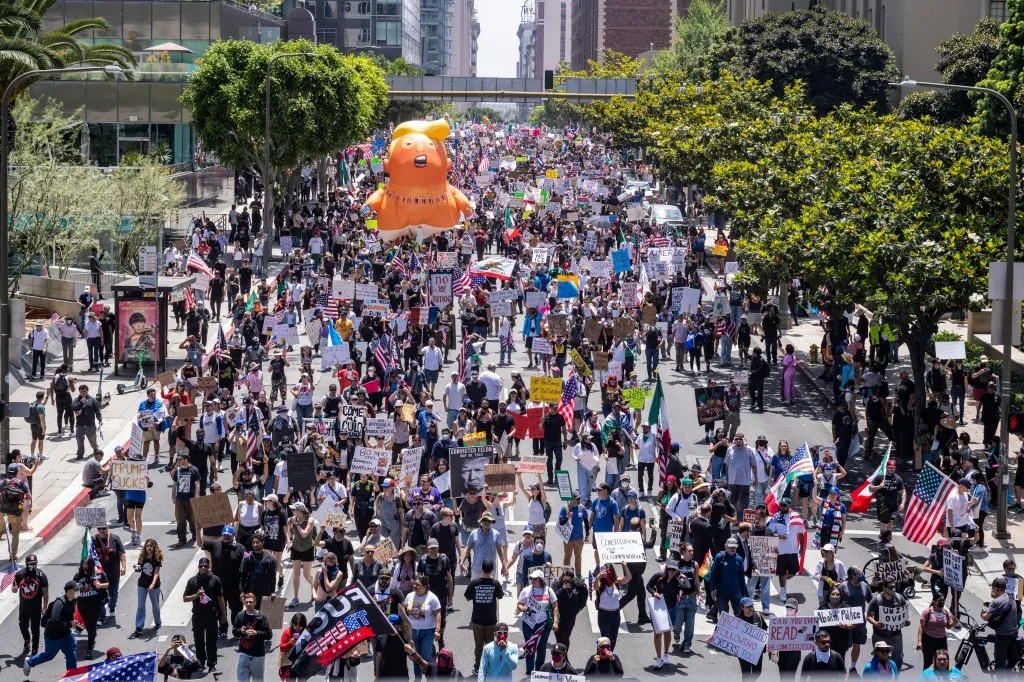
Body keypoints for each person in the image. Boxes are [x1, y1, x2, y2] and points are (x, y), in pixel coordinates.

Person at [23, 580, 78, 675]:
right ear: (69, 591)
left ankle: (72, 676)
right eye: (76, 590)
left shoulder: (73, 600)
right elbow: (54, 620)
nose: (78, 591)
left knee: (71, 655)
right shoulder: (59, 603)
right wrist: (70, 624)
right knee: (48, 656)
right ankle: (29, 662)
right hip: (53, 637)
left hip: (66, 635)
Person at [183, 556, 226, 674]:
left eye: (205, 566)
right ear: (198, 567)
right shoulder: (192, 581)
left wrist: (223, 614)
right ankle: (201, 661)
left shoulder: (215, 580)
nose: (203, 568)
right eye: (201, 566)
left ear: (209, 567)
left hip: (211, 615)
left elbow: (220, 598)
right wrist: (196, 596)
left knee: (211, 641)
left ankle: (212, 663)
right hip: (198, 615)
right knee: (198, 640)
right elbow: (185, 598)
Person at [464, 558, 504, 676]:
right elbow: (500, 596)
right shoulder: (495, 584)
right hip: (491, 620)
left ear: (482, 568)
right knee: (490, 646)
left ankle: (478, 667)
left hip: (477, 620)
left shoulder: (474, 583)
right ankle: (489, 666)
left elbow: (467, 597)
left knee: (479, 646)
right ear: (492, 569)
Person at [517, 568, 559, 675]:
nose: (532, 581)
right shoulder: (526, 590)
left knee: (541, 648)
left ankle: (539, 672)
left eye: (535, 579)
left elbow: (555, 606)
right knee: (530, 647)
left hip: (543, 624)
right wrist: (522, 608)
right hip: (528, 624)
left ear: (541, 580)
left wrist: (555, 621)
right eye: (531, 578)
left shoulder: (549, 591)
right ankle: (530, 672)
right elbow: (519, 604)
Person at [405, 575, 443, 681]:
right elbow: (404, 610)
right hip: (413, 631)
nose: (415, 586)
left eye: (418, 585)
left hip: (428, 631)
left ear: (425, 586)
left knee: (425, 655)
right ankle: (417, 678)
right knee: (415, 654)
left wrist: (437, 630)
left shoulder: (432, 598)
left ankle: (431, 676)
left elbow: (438, 613)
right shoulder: (409, 596)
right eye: (414, 584)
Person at [866, 579, 910, 670]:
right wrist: (875, 623)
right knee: (880, 658)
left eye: (894, 586)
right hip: (880, 635)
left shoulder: (899, 598)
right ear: (884, 588)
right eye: (891, 587)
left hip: (896, 635)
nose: (893, 589)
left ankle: (895, 675)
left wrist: (906, 621)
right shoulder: (877, 600)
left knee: (898, 658)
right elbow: (869, 616)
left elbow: (904, 613)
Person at [12, 553, 48, 656]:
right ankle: (27, 640)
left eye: (34, 563)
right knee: (23, 626)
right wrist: (14, 589)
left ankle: (35, 649)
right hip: (24, 608)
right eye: (30, 563)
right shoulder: (20, 574)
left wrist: (45, 606)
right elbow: (14, 589)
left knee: (35, 629)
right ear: (26, 564)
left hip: (36, 608)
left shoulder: (41, 575)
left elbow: (45, 592)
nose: (32, 565)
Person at [981, 576, 1021, 670]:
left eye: (993, 588)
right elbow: (1002, 606)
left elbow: (986, 617)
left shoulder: (995, 602)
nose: (992, 590)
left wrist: (982, 614)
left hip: (1003, 635)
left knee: (1000, 664)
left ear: (996, 589)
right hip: (1014, 633)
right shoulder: (1011, 599)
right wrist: (990, 604)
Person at [234, 592, 273, 681]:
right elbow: (234, 631)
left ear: (255, 603)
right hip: (244, 653)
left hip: (258, 654)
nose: (248, 604)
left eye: (251, 602)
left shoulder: (262, 617)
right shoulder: (240, 615)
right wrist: (241, 631)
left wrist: (256, 633)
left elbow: (269, 635)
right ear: (244, 603)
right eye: (246, 602)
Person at [593, 562, 631, 649]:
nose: (607, 573)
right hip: (604, 615)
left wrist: (624, 565)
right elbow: (595, 587)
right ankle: (601, 654)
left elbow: (628, 578)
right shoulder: (601, 583)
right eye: (605, 571)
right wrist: (598, 577)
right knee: (605, 640)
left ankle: (608, 655)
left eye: (609, 571)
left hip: (615, 615)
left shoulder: (617, 582)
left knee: (613, 640)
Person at [131, 538, 163, 638]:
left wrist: (152, 584)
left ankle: (158, 622)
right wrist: (137, 567)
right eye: (148, 546)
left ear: (154, 547)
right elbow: (139, 567)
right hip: (142, 584)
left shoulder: (157, 558)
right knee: (141, 606)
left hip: (154, 586)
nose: (149, 548)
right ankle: (139, 627)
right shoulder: (142, 557)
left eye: (151, 546)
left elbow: (156, 572)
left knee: (155, 606)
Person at [917, 593, 957, 671]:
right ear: (934, 601)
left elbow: (948, 626)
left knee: (943, 661)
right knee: (928, 662)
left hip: (942, 641)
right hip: (929, 641)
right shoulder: (927, 612)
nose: (942, 602)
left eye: (943, 600)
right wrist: (919, 641)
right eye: (940, 600)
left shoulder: (945, 612)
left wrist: (953, 623)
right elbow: (921, 627)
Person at [1, 462, 31, 561]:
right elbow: (29, 497)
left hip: (3, 512)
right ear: (17, 471)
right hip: (16, 513)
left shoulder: (3, 482)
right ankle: (13, 556)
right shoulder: (22, 484)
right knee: (15, 535)